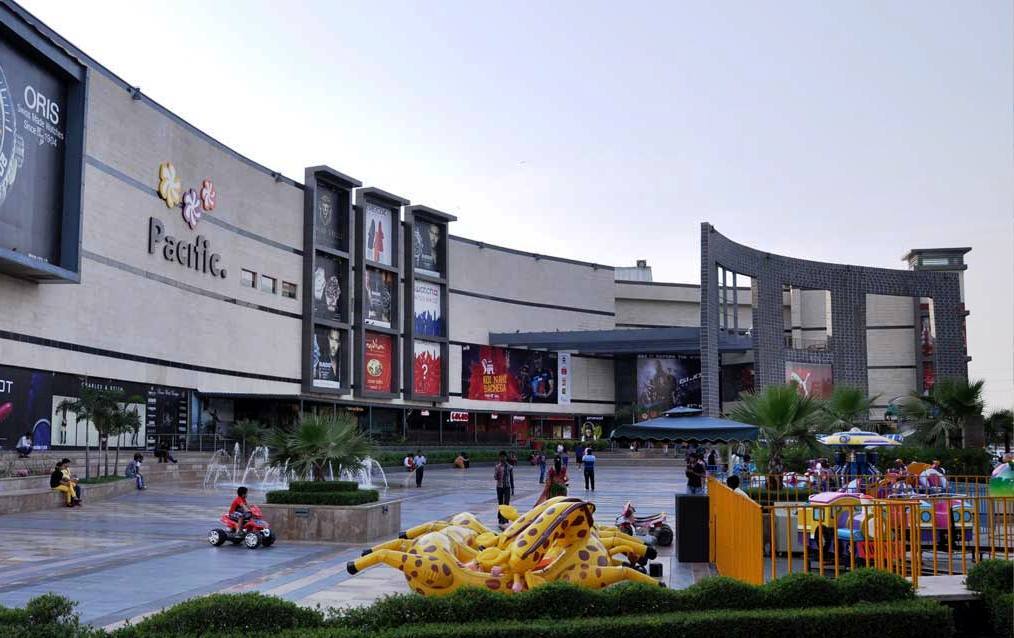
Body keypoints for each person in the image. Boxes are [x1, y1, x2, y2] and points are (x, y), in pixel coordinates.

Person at [494, 451, 513, 526]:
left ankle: (505, 519)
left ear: (506, 457)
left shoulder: (510, 467)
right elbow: (495, 477)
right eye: (501, 456)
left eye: (504, 456)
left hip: (507, 487)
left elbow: (511, 478)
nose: (502, 458)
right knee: (500, 503)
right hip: (499, 487)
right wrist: (497, 473)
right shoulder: (497, 467)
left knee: (506, 503)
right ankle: (501, 518)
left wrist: (513, 488)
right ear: (499, 457)